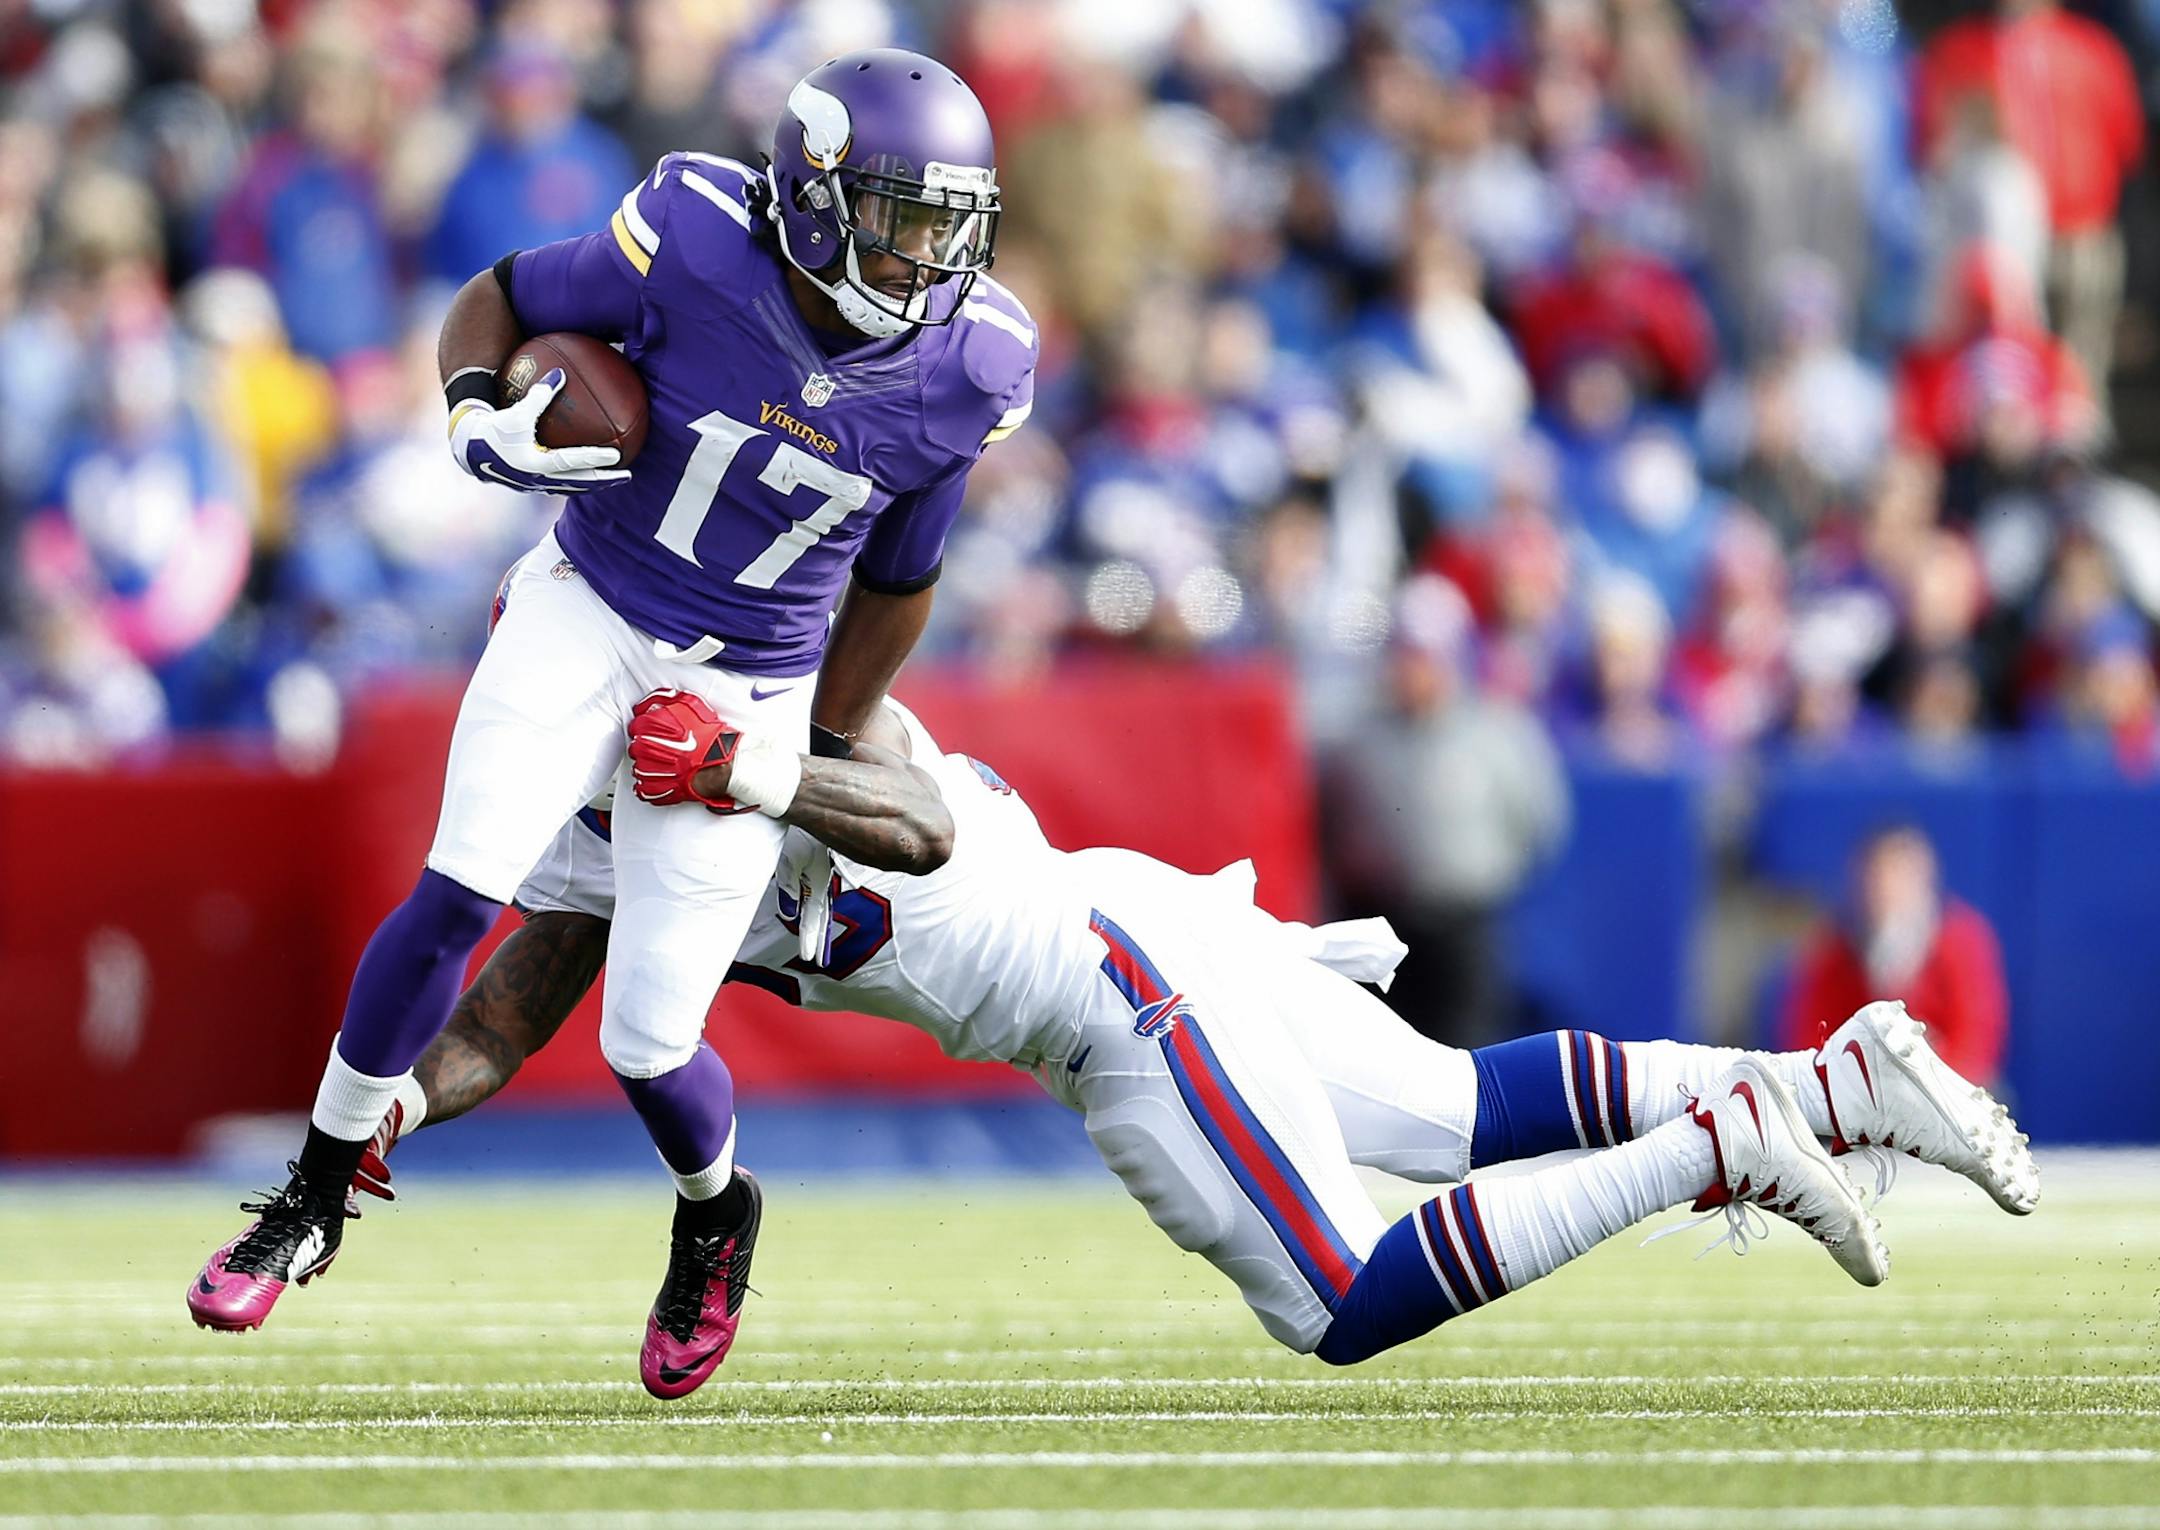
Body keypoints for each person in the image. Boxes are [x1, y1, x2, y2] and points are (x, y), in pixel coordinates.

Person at [352, 692, 2037, 1396]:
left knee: (1341, 1307)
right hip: (1136, 928)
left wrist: (746, 768)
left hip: (1118, 994)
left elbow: (915, 821)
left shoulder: (770, 703)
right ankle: (1844, 1080)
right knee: (1456, 1109)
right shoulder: (597, 835)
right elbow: (510, 1008)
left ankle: (1722, 1146)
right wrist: (392, 1110)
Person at [186, 48, 1037, 1401]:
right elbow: (501, 296)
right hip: (591, 599)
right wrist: (475, 415)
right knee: (457, 894)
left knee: (647, 1041)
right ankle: (308, 1193)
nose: (929, 255)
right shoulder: (696, 234)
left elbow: (902, 574)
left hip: (748, 676)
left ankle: (714, 1212)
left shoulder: (970, 361)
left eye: (949, 223)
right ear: (812, 196)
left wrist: (810, 741)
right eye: (899, 216)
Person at [1779, 825, 2010, 1088]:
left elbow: (1976, 1039)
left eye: (1903, 875)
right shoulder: (1829, 952)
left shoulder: (1963, 940)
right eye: (1880, 877)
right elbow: (1810, 1045)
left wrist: (1926, 1083)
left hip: (1946, 1091)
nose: (1890, 890)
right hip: (1858, 1099)